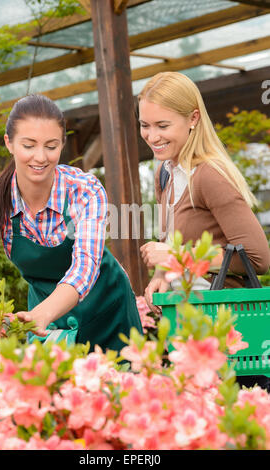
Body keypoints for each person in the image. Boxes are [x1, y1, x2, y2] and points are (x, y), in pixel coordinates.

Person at [0, 94, 142, 353]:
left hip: (109, 311)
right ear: (9, 143)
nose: (40, 157)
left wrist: (43, 314)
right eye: (29, 145)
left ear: (62, 144)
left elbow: (85, 267)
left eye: (51, 146)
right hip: (44, 317)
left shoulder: (85, 190)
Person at [138, 71, 270, 390]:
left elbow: (259, 258)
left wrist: (176, 256)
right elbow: (173, 241)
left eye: (162, 125)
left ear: (193, 118)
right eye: (145, 125)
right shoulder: (166, 175)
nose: (152, 136)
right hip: (187, 326)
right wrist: (160, 276)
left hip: (227, 333)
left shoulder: (209, 176)